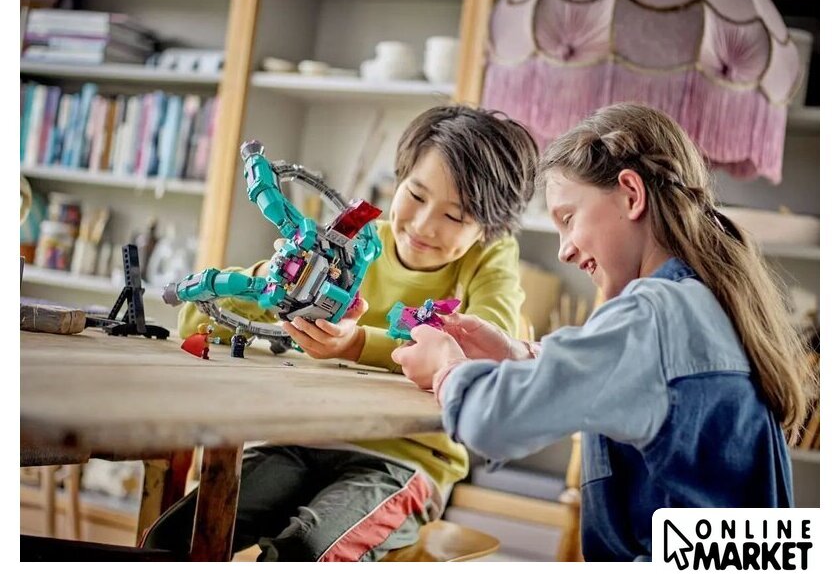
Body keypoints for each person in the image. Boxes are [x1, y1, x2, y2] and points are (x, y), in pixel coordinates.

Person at [394, 103, 816, 562]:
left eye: (568, 219)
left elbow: (491, 423)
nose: (564, 251)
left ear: (631, 195)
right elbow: (633, 379)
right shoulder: (705, 304)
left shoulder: (652, 314)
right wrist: (519, 356)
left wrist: (447, 366)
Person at [142, 105, 539, 561]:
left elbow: (485, 352)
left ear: (489, 229)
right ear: (399, 178)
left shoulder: (488, 259)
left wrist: (355, 344)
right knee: (170, 540)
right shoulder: (355, 244)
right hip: (302, 438)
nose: (424, 225)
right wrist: (274, 281)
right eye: (416, 194)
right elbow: (195, 321)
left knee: (303, 555)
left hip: (403, 460)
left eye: (456, 217)